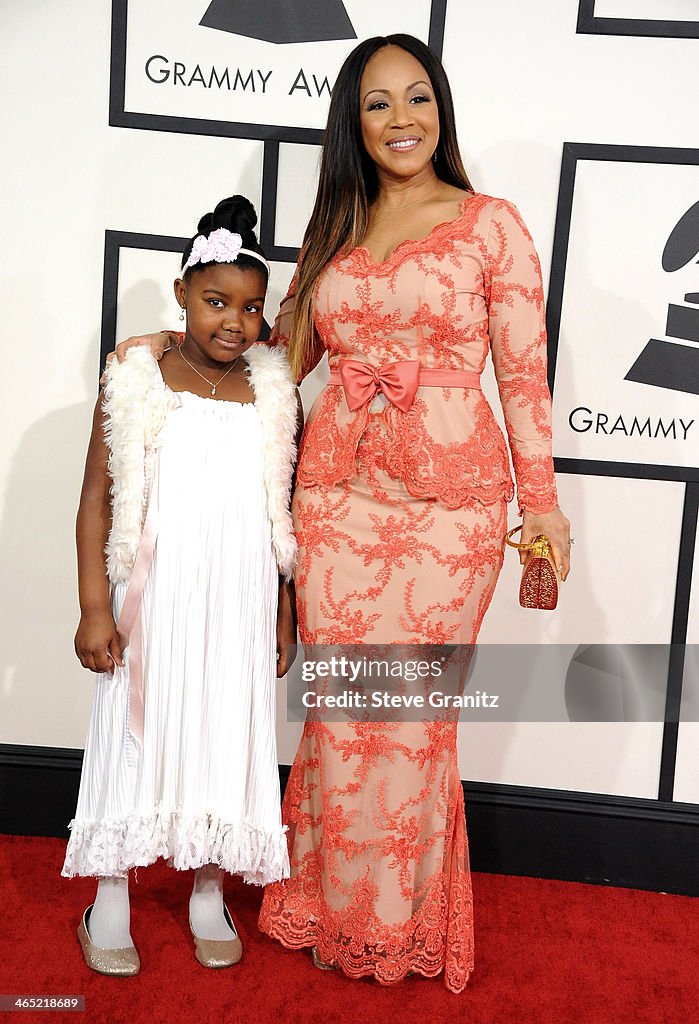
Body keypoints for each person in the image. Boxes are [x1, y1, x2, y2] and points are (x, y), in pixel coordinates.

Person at [116, 34, 571, 992]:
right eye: (377, 104)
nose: (401, 119)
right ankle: (323, 907)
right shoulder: (335, 228)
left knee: (410, 718)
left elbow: (525, 379)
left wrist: (544, 510)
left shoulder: (492, 224)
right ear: (353, 125)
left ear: (440, 108)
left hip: (451, 505)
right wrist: (178, 349)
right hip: (337, 502)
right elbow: (277, 352)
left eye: (417, 97)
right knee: (341, 715)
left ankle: (402, 927)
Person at [62, 195, 301, 977]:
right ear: (181, 295)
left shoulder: (272, 390)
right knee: (136, 736)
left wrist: (282, 615)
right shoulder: (139, 374)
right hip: (153, 599)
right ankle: (111, 896)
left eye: (252, 308)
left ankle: (207, 889)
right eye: (215, 302)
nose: (234, 321)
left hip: (236, 599)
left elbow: (280, 511)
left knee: (222, 734)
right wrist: (95, 606)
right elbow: (98, 495)